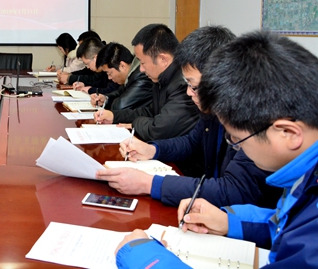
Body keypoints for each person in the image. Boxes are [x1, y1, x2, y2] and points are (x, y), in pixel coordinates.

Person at [115, 31, 318, 268]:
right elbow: (283, 223)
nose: (236, 146)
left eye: (238, 140)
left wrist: (144, 258)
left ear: (289, 133)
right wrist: (229, 222)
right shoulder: (303, 175)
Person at [96, 26, 281, 206]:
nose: (189, 92)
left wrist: (149, 184)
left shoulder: (253, 119)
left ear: (223, 79)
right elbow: (192, 142)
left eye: (194, 86)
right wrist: (152, 150)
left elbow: (232, 191)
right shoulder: (212, 110)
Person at [94, 24, 198, 141]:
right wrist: (114, 116)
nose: (141, 69)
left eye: (143, 63)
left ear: (163, 59)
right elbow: (150, 112)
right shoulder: (160, 78)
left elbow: (158, 129)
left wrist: (135, 124)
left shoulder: (184, 85)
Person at [89, 42, 153, 111]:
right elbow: (120, 92)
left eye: (109, 73)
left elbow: (120, 107)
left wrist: (108, 102)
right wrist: (105, 99)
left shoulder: (141, 77)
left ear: (122, 66)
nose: (109, 78)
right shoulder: (131, 74)